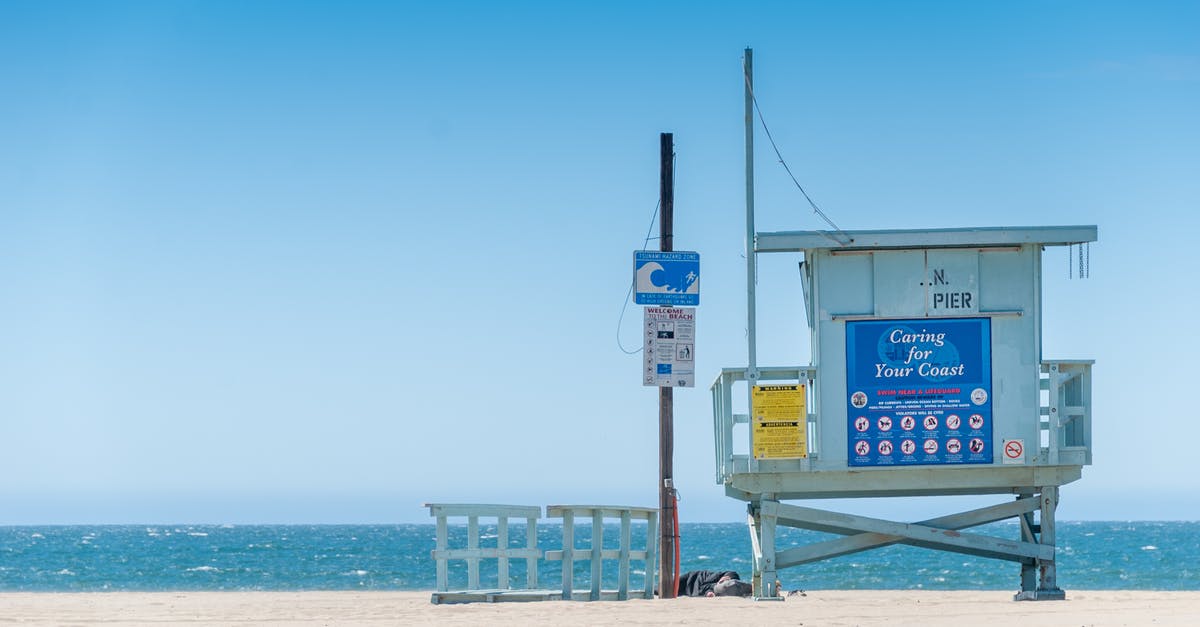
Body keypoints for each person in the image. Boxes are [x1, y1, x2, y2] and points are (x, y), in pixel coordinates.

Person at [675, 570, 753, 597]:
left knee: (731, 585)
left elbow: (732, 573)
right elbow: (702, 588)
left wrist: (709, 592)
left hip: (719, 587)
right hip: (693, 579)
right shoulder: (717, 577)